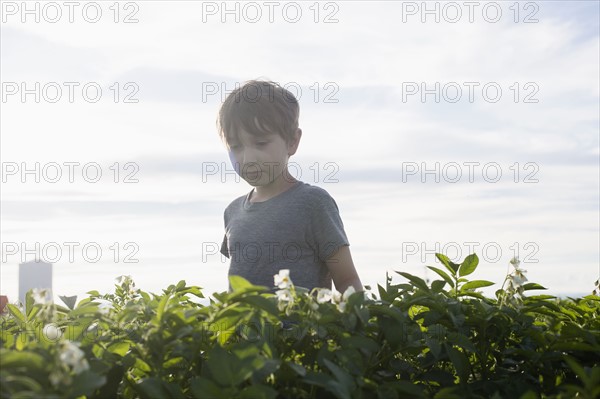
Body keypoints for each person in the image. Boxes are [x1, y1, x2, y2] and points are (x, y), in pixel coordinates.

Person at [217, 79, 363, 294]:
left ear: (292, 142)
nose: (247, 158)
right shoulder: (233, 211)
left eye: (261, 143)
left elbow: (347, 279)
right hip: (246, 328)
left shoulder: (313, 203)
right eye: (236, 146)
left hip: (302, 328)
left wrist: (359, 323)